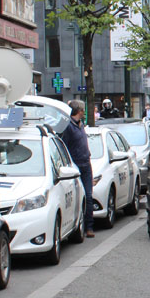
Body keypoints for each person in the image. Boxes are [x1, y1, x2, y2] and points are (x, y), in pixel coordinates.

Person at [60, 100, 94, 238]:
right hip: (76, 166)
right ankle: (78, 226)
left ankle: (89, 227)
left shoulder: (80, 125)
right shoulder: (69, 127)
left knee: (89, 196)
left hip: (86, 164)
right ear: (79, 111)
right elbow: (65, 146)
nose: (84, 112)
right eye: (83, 109)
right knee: (79, 197)